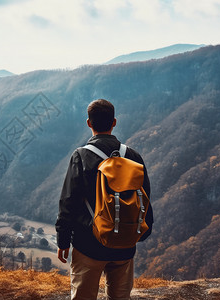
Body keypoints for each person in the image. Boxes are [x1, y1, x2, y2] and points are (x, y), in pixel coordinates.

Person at [55, 99, 153, 300]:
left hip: (88, 243)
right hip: (125, 244)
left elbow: (68, 202)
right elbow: (145, 198)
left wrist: (63, 240)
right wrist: (139, 234)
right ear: (114, 122)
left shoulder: (81, 156)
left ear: (89, 123)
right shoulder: (133, 156)